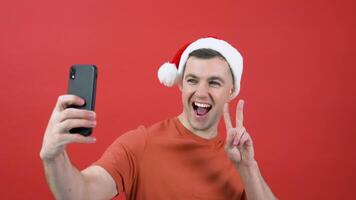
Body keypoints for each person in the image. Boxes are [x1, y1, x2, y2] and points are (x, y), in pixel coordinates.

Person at [40, 37, 278, 200]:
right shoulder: (140, 143)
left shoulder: (238, 159)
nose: (201, 92)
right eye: (192, 80)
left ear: (231, 91)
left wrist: (247, 169)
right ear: (181, 85)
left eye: (214, 82)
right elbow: (80, 194)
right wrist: (52, 157)